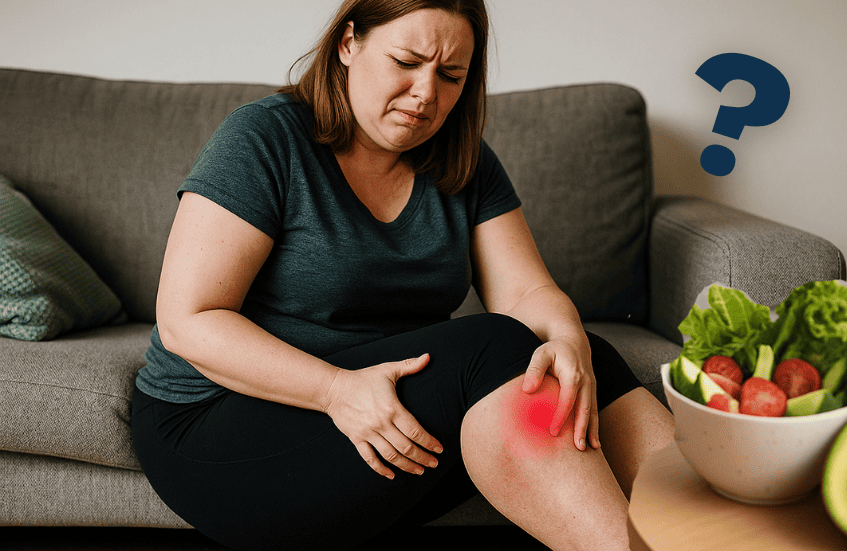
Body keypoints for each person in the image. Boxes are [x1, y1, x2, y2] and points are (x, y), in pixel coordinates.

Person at [130, 1, 675, 549]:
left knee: (579, 357)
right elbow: (187, 320)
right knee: (494, 345)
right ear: (348, 44)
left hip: (379, 413)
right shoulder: (263, 137)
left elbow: (526, 291)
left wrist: (568, 339)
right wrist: (336, 390)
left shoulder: (463, 160)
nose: (426, 93)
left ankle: (711, 537)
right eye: (406, 62)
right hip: (217, 423)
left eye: (450, 75)